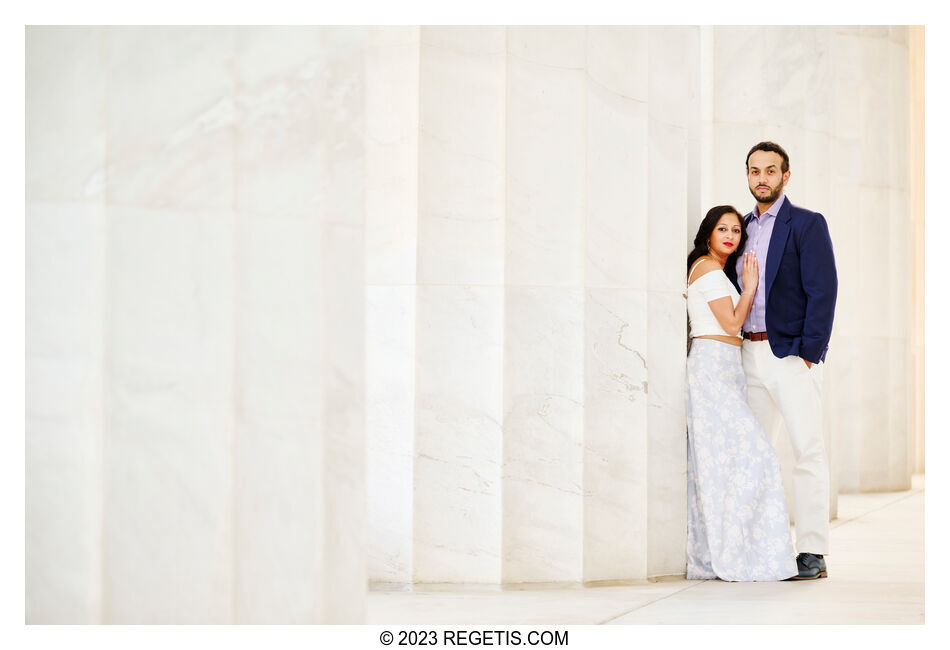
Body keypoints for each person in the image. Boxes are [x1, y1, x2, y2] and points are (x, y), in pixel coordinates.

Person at [725, 141, 837, 580]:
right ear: (748, 176)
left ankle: (812, 551)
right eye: (755, 171)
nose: (762, 178)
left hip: (789, 356)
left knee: (807, 451)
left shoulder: (807, 225)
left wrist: (809, 355)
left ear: (785, 177)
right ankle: (758, 546)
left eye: (771, 171)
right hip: (747, 354)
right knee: (754, 453)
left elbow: (823, 291)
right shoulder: (739, 229)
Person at [685, 205, 798, 582]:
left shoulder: (718, 270)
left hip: (726, 367)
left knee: (730, 464)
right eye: (723, 229)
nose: (731, 235)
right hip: (711, 369)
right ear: (709, 233)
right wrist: (751, 287)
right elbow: (732, 322)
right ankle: (740, 552)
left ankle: (742, 548)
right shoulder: (707, 267)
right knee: (758, 456)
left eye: (736, 230)